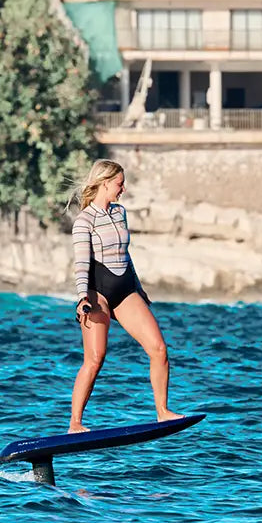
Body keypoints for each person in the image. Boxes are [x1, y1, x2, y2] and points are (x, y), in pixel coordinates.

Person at [68, 159, 183, 433]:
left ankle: (163, 412)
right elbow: (81, 263)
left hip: (126, 289)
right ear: (105, 183)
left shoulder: (120, 213)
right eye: (119, 184)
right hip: (98, 294)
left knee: (159, 350)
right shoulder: (84, 221)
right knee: (95, 359)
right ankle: (75, 424)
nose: (123, 189)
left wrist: (139, 287)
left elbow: (125, 253)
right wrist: (83, 297)